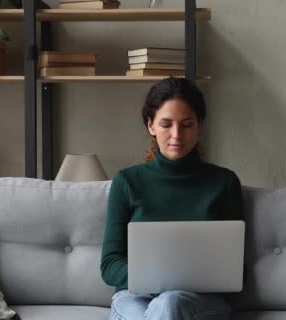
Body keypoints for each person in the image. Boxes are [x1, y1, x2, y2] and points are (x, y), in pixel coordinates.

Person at [100, 77, 244, 320]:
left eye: (186, 124)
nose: (176, 135)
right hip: (135, 297)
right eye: (166, 124)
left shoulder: (224, 182)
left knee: (170, 303)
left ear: (199, 126)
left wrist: (174, 285)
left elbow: (237, 268)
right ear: (151, 126)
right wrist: (154, 280)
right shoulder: (126, 182)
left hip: (201, 300)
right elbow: (110, 264)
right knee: (159, 308)